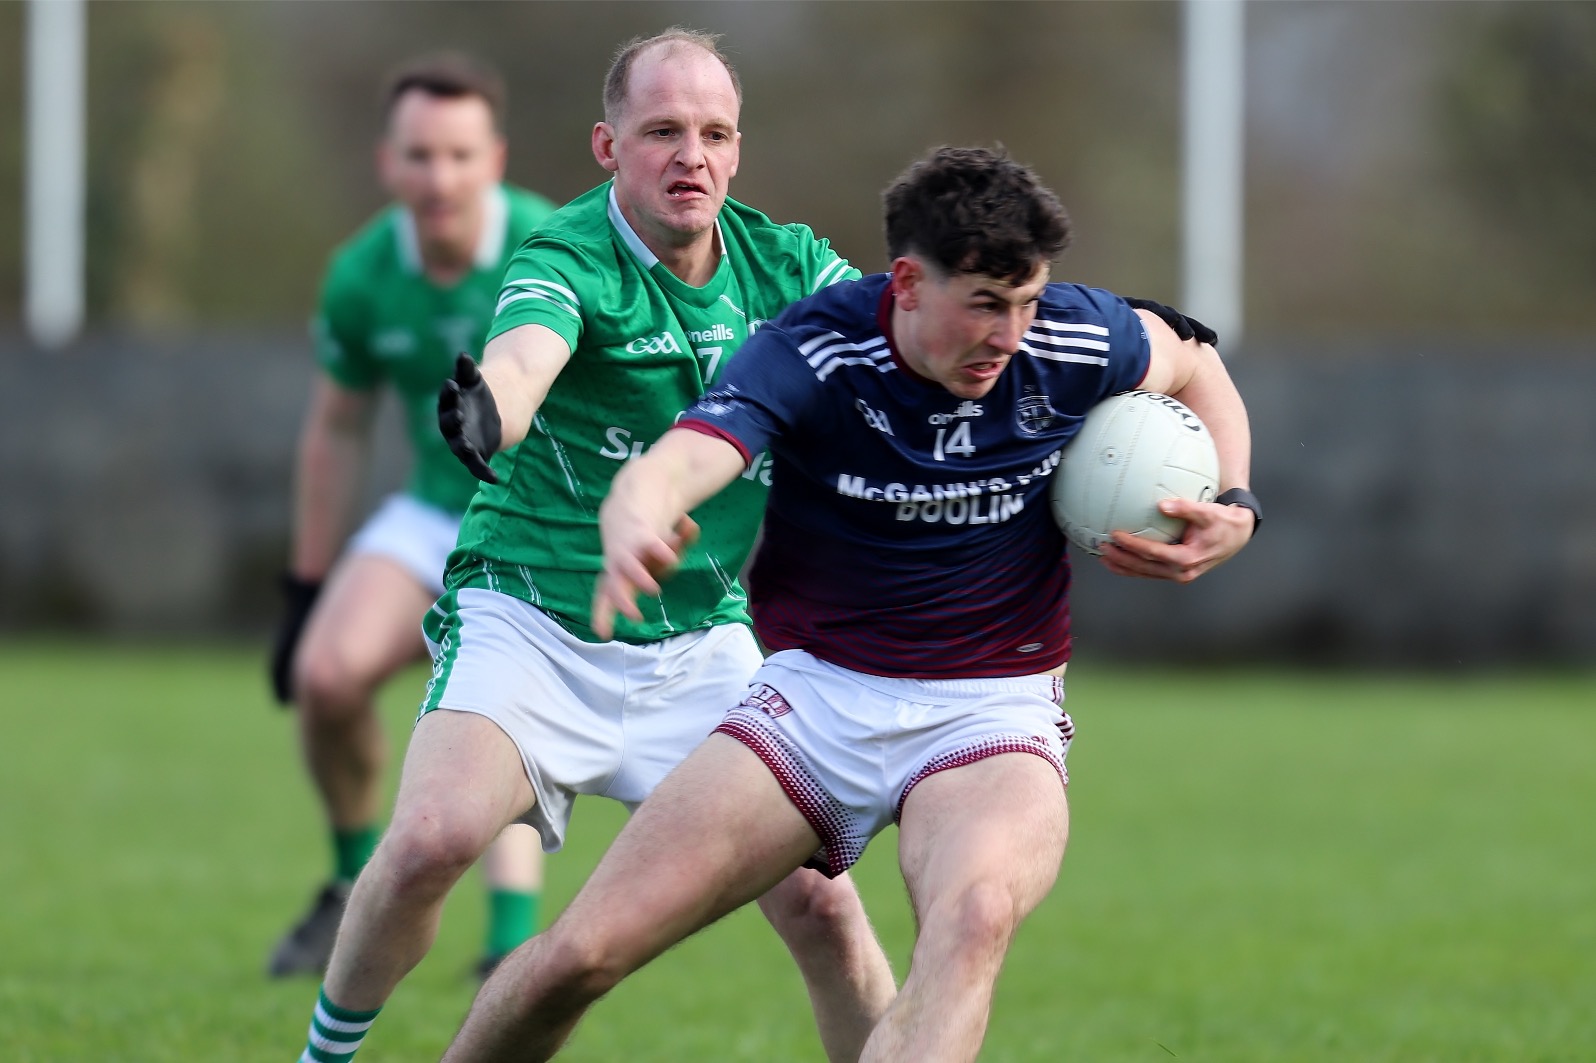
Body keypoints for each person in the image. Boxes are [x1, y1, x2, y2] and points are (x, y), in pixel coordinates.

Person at [439, 145, 1261, 1062]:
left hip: (991, 707)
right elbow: (682, 457)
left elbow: (1195, 360)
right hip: (815, 701)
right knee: (578, 958)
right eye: (984, 304)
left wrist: (1236, 502)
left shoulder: (1073, 338)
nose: (1010, 333)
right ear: (906, 282)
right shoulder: (815, 349)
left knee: (973, 917)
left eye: (1027, 301)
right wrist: (636, 511)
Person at [291, 29, 896, 1063]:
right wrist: (493, 404)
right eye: (662, 131)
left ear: (738, 150)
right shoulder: (565, 253)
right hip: (530, 620)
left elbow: (898, 346)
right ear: (609, 146)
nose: (691, 155)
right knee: (432, 838)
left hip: (700, 640)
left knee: (823, 907)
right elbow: (526, 355)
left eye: (714, 133)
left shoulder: (788, 264)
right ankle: (324, 1056)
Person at [267, 53, 558, 981]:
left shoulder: (552, 245)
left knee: (497, 705)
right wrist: (304, 586)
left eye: (460, 155)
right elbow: (336, 431)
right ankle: (351, 885)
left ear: (495, 159)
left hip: (535, 523)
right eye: (420, 155)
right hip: (431, 512)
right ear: (387, 162)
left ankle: (510, 939)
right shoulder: (361, 274)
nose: (440, 178)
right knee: (324, 676)